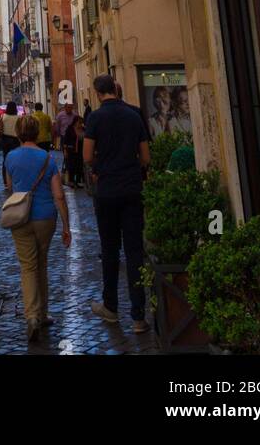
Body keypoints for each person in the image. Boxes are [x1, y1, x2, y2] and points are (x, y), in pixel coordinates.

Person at [83, 74, 150, 334]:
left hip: (108, 191)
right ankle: (138, 317)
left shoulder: (95, 118)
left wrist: (101, 167)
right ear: (115, 90)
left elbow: (88, 156)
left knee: (110, 251)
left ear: (98, 93)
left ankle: (111, 307)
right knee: (135, 253)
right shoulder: (134, 115)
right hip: (133, 189)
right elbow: (145, 157)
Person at [4, 114, 72, 342]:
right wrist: (66, 225)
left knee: (28, 267)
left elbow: (10, 186)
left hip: (20, 218)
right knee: (41, 263)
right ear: (36, 132)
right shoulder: (47, 158)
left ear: (19, 133)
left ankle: (32, 315)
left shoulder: (11, 158)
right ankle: (42, 313)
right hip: (45, 217)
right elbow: (59, 195)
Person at [0, 100, 20, 181]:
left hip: (5, 140)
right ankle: (15, 178)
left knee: (6, 160)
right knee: (16, 160)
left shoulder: (3, 116)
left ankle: (5, 180)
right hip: (16, 141)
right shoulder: (18, 118)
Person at [63, 113, 84, 187]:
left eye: (81, 123)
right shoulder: (70, 129)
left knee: (79, 166)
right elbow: (65, 140)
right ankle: (71, 181)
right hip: (71, 150)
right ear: (75, 122)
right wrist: (65, 151)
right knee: (71, 166)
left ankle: (78, 181)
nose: (80, 124)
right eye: (79, 122)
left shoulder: (83, 129)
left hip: (80, 151)